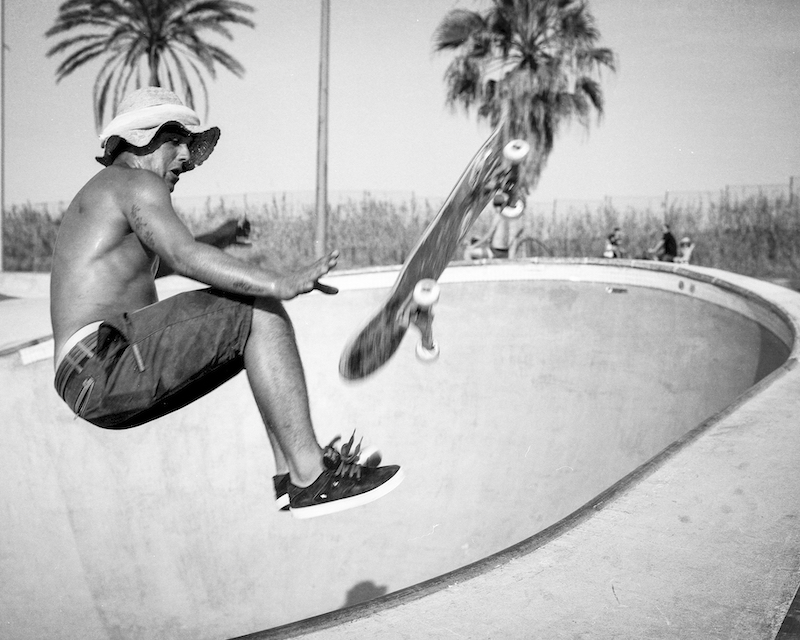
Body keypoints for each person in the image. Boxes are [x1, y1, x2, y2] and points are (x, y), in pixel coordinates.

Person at [49, 86, 403, 519]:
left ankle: (292, 475)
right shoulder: (134, 181)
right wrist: (278, 283)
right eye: (176, 141)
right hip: (103, 362)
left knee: (245, 335)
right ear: (142, 139)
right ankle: (309, 473)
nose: (186, 157)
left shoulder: (106, 193)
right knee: (255, 307)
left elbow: (147, 268)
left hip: (88, 379)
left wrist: (214, 239)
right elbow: (183, 256)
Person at [463, 191, 525, 260]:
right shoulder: (509, 216)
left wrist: (473, 246)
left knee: (468, 252)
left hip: (495, 252)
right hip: (505, 252)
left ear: (494, 205)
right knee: (476, 240)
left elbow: (488, 235)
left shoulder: (498, 216)